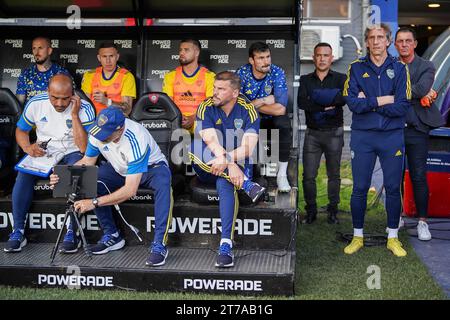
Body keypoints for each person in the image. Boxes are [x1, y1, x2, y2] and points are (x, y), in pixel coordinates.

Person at [51, 107, 173, 266]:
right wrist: (62, 176)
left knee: (164, 184)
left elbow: (130, 190)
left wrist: (93, 202)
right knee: (90, 177)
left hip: (151, 169)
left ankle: (159, 244)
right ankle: (113, 235)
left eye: (105, 134)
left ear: (120, 129)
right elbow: (87, 161)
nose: (100, 137)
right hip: (120, 169)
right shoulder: (98, 132)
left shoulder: (136, 138)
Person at [4, 74, 95, 253]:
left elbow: (84, 148)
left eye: (65, 99)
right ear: (48, 92)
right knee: (23, 175)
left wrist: (75, 115)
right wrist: (27, 147)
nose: (60, 103)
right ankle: (18, 231)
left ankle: (72, 231)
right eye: (55, 98)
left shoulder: (84, 108)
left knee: (76, 173)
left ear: (73, 94)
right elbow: (21, 130)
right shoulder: (36, 103)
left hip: (72, 151)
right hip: (45, 151)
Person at [343, 23, 411, 257]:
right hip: (363, 137)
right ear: (367, 42)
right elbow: (353, 104)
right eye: (371, 37)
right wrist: (383, 100)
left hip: (392, 136)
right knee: (360, 188)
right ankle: (357, 236)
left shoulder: (400, 69)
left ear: (388, 41)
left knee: (392, 188)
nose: (376, 41)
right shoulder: (355, 68)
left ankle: (393, 237)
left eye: (380, 37)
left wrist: (369, 102)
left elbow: (403, 106)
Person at [189, 71, 266, 268]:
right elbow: (210, 141)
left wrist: (230, 162)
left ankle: (225, 245)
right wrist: (230, 164)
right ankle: (247, 185)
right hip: (210, 164)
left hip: (236, 166)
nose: (215, 93)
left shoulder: (249, 110)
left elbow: (248, 148)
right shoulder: (206, 106)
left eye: (221, 89)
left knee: (226, 182)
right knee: (193, 148)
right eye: (214, 88)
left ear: (235, 93)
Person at [394, 27, 445, 241]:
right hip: (394, 127)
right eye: (400, 41)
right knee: (393, 176)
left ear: (415, 44)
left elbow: (421, 89)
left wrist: (395, 91)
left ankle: (423, 222)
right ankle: (396, 218)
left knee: (418, 176)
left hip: (417, 128)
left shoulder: (427, 66)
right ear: (395, 45)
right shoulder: (390, 65)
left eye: (408, 41)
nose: (404, 44)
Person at [298, 42, 347, 224]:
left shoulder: (341, 79)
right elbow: (303, 103)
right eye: (319, 55)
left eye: (326, 55)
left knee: (334, 175)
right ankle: (311, 211)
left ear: (331, 58)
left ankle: (333, 211)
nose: (322, 58)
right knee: (309, 176)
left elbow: (343, 99)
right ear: (313, 58)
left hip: (335, 133)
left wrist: (316, 99)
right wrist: (327, 103)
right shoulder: (305, 80)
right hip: (313, 134)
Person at [236, 42, 292, 192]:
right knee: (238, 122)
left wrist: (253, 104)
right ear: (251, 61)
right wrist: (263, 100)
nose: (266, 61)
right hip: (252, 120)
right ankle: (243, 175)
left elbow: (280, 109)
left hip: (271, 120)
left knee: (284, 123)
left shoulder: (276, 72)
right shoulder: (242, 73)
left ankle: (281, 175)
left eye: (268, 57)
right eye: (261, 58)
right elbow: (240, 108)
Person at [162, 39, 215, 134]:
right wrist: (179, 118)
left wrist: (193, 118)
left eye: (186, 50)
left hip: (200, 125)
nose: (182, 53)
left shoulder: (209, 76)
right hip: (176, 123)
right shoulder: (170, 76)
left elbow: (210, 105)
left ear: (196, 53)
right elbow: (167, 104)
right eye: (180, 50)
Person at [81, 42, 136, 116]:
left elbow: (127, 110)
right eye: (104, 56)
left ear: (117, 57)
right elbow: (84, 105)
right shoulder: (89, 75)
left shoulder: (126, 76)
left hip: (116, 122)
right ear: (99, 58)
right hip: (93, 121)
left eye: (111, 56)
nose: (108, 61)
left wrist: (107, 101)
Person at [16, 37, 70, 105]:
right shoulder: (26, 74)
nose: (36, 52)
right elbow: (18, 104)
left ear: (49, 51)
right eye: (34, 48)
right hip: (31, 114)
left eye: (40, 48)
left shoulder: (62, 74)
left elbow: (68, 101)